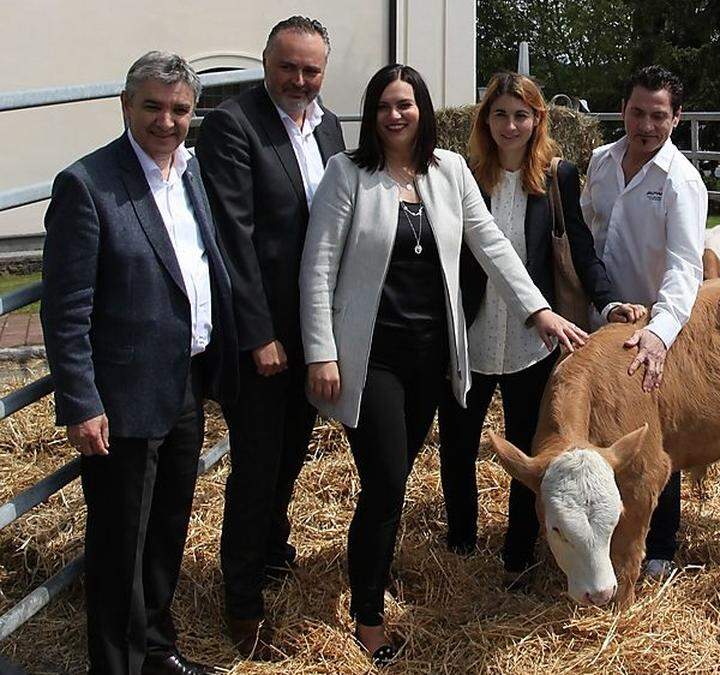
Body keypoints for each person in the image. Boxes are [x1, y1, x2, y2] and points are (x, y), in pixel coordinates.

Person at [299, 64, 588, 666]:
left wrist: (539, 312)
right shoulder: (347, 174)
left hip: (432, 357)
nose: (396, 115)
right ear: (372, 114)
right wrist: (321, 350)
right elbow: (318, 267)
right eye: (384, 105)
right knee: (383, 482)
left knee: (398, 477)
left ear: (423, 111)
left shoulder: (448, 171)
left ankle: (377, 571)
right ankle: (369, 618)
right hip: (372, 357)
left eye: (406, 104)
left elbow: (493, 246)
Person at [40, 52, 238, 675]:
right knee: (120, 543)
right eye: (152, 106)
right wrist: (81, 400)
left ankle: (156, 649)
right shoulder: (87, 184)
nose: (166, 121)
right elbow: (66, 309)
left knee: (167, 529)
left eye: (179, 109)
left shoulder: (191, 171)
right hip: (121, 393)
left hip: (186, 380)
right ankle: (116, 664)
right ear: (125, 106)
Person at [437, 72, 646, 585]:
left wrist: (608, 300)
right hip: (470, 335)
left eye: (521, 115)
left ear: (538, 121)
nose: (511, 125)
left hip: (535, 341)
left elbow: (578, 245)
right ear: (485, 120)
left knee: (530, 457)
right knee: (459, 446)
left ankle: (518, 552)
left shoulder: (557, 177)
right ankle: (461, 543)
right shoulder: (460, 175)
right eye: (501, 114)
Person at [194, 15, 345, 657]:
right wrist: (258, 335)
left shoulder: (330, 124)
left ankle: (274, 549)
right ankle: (242, 599)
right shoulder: (235, 126)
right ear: (265, 62)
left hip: (312, 329)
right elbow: (235, 236)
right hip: (265, 336)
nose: (300, 80)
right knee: (256, 464)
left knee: (290, 454)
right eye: (288, 67)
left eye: (311, 70)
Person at [580, 65, 707, 579]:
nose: (646, 125)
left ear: (677, 118)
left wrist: (659, 333)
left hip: (652, 325)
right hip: (601, 316)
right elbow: (588, 236)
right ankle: (602, 532)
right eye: (637, 112)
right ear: (624, 110)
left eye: (659, 115)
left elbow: (685, 267)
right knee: (600, 428)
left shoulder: (683, 181)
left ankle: (660, 545)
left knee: (655, 435)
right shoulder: (600, 162)